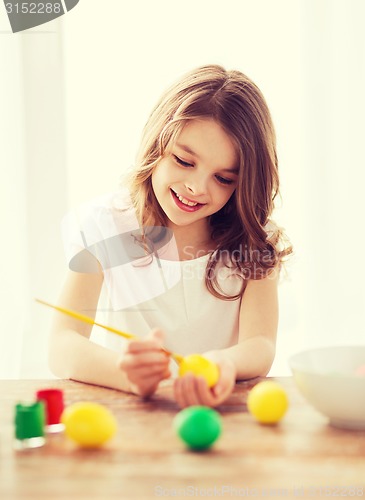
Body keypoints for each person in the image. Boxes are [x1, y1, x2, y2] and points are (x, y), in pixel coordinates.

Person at [49, 64, 292, 408]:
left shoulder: (251, 240)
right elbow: (62, 343)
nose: (196, 187)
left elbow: (261, 344)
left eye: (223, 179)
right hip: (132, 417)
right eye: (183, 160)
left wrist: (225, 363)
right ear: (156, 143)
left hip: (221, 417)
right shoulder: (108, 227)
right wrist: (125, 373)